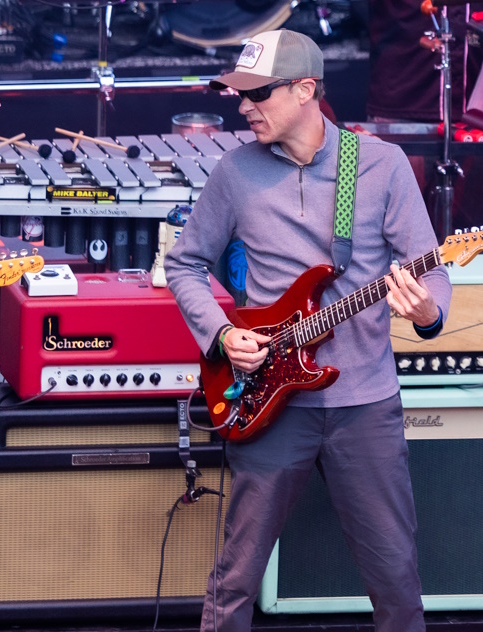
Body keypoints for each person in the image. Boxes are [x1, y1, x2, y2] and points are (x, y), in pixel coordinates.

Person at [164, 29, 452, 632]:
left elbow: (433, 268)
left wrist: (426, 313)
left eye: (257, 94)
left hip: (364, 403)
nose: (243, 107)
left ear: (305, 90)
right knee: (236, 576)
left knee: (395, 576)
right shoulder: (236, 170)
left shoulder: (380, 165)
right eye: (238, 95)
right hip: (270, 398)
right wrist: (220, 335)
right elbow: (185, 263)